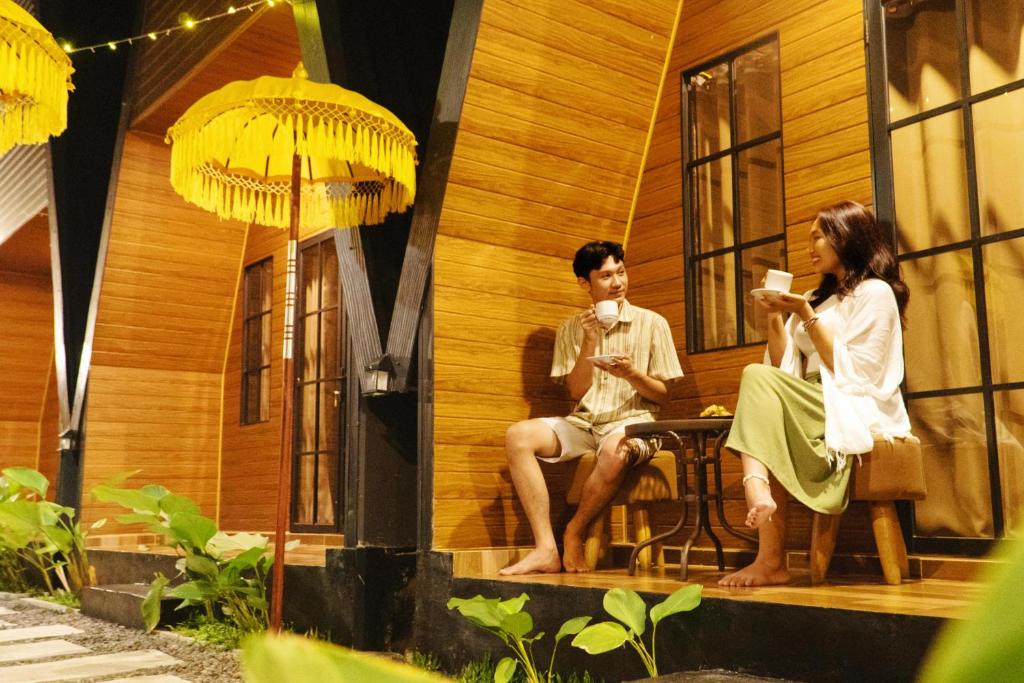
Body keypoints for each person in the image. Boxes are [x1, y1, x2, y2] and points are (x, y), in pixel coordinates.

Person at [718, 200, 912, 588]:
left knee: (758, 385)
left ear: (846, 236)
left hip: (849, 399)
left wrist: (805, 314)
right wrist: (775, 315)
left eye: (818, 236)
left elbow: (858, 371)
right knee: (757, 379)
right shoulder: (817, 296)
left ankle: (764, 533)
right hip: (806, 396)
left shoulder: (875, 293)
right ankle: (769, 558)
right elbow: (781, 367)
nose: (811, 246)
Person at [500, 241, 684, 575]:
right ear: (585, 284)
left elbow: (663, 396)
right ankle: (545, 548)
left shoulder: (652, 323)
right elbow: (575, 391)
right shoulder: (571, 328)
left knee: (615, 449)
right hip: (586, 423)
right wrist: (588, 342)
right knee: (518, 436)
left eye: (621, 272)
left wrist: (632, 373)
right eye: (606, 276)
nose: (618, 283)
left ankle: (573, 532)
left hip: (635, 423)